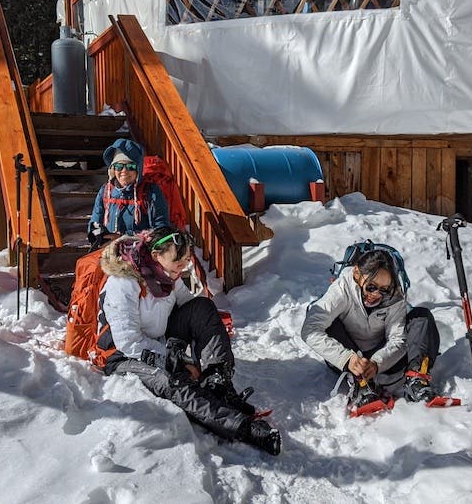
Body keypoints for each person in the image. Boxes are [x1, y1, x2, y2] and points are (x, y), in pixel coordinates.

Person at [94, 226, 281, 455]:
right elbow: (129, 342)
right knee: (170, 379)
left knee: (203, 307)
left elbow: (189, 305)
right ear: (156, 256)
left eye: (185, 261)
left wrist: (211, 325)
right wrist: (179, 360)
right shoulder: (124, 283)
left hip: (157, 339)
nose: (182, 267)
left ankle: (218, 380)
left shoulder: (167, 274)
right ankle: (242, 427)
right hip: (123, 355)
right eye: (177, 261)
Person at [301, 248, 443, 405]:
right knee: (328, 322)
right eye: (371, 287)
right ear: (357, 273)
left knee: (422, 316)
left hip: (383, 358)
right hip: (348, 357)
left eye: (384, 289)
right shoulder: (341, 289)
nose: (376, 294)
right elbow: (310, 329)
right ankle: (360, 385)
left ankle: (417, 380)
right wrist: (346, 358)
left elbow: (398, 340)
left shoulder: (395, 296)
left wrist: (377, 363)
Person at [88, 138, 170, 248]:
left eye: (130, 166)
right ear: (112, 169)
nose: (124, 171)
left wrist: (125, 239)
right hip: (110, 254)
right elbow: (95, 220)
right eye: (119, 166)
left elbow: (161, 230)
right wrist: (98, 234)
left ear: (138, 169)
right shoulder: (106, 191)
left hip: (140, 256)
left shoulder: (150, 192)